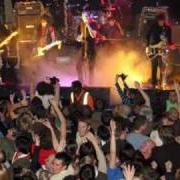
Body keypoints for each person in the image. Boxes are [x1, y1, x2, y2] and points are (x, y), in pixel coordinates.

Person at [146, 13, 172, 88]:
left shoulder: (167, 28)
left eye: (162, 21)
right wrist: (147, 46)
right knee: (154, 67)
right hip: (153, 50)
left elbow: (169, 41)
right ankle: (153, 83)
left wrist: (170, 45)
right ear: (157, 20)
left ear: (164, 20)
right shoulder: (153, 27)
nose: (161, 22)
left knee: (162, 68)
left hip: (163, 51)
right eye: (159, 21)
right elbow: (147, 36)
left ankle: (161, 84)